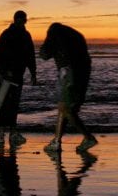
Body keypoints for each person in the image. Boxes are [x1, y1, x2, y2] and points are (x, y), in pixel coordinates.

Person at [38, 22, 97, 154]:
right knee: (65, 107)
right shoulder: (76, 36)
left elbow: (44, 55)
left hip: (67, 72)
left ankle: (88, 137)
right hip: (83, 72)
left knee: (66, 109)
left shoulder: (54, 32)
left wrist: (42, 47)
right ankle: (56, 142)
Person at [0, 11, 38, 148]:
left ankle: (5, 134)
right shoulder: (21, 35)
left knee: (8, 103)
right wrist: (33, 73)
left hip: (14, 73)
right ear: (22, 20)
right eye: (22, 19)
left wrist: (33, 72)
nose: (22, 22)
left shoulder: (9, 34)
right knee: (9, 104)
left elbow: (29, 55)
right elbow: (1, 55)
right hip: (12, 73)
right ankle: (7, 133)